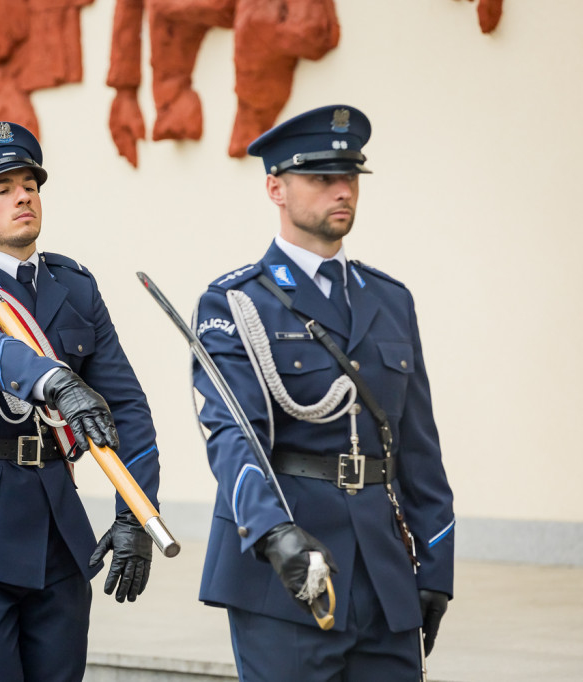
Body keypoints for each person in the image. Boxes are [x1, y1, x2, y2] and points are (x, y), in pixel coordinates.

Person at [191, 105, 455, 681]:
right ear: (275, 188)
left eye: (350, 177)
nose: (342, 191)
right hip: (289, 570)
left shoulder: (390, 300)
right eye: (321, 179)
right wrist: (273, 536)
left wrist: (436, 565)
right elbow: (234, 438)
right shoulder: (235, 304)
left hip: (385, 577)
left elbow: (416, 446)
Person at [0, 122, 162, 682]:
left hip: (55, 526)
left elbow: (125, 407)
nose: (23, 195)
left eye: (30, 184)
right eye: (1, 189)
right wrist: (56, 381)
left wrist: (136, 515)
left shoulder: (73, 286)